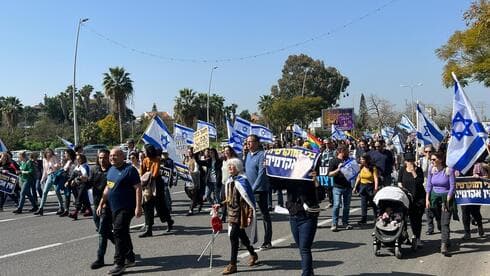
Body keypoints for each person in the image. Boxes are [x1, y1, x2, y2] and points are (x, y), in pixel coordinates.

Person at [269, 157, 321, 276]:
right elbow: (275, 184)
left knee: (304, 248)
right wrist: (267, 169)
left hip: (307, 217)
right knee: (300, 246)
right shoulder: (291, 178)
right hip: (293, 216)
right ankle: (310, 272)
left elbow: (320, 196)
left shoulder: (310, 178)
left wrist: (316, 181)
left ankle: (306, 273)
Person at [97, 148, 142, 275]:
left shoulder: (130, 170)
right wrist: (102, 203)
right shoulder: (111, 170)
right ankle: (130, 258)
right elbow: (108, 188)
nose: (112, 158)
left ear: (122, 156)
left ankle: (119, 263)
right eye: (111, 156)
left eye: (115, 156)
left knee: (118, 231)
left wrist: (138, 207)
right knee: (123, 232)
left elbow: (138, 188)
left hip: (127, 207)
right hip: (113, 207)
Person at [221, 158, 258, 275]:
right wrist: (219, 205)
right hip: (231, 213)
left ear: (238, 167)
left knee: (233, 236)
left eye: (233, 166)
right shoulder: (229, 181)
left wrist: (250, 214)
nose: (230, 168)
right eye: (229, 166)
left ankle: (233, 264)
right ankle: (253, 253)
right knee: (241, 235)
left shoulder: (243, 180)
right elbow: (227, 198)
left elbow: (249, 199)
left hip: (241, 213)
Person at [139, 144, 173, 238]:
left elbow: (154, 174)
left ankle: (169, 221)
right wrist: (143, 172)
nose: (143, 152)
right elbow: (141, 173)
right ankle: (148, 229)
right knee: (147, 207)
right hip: (147, 185)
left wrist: (147, 174)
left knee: (160, 206)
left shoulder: (157, 159)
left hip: (156, 184)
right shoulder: (145, 160)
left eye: (144, 150)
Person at [425, 150, 455, 256]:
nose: (431, 161)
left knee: (445, 222)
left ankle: (443, 246)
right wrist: (427, 199)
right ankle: (447, 239)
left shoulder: (448, 170)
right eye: (431, 159)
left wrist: (447, 200)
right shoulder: (431, 169)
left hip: (446, 198)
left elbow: (452, 186)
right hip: (434, 199)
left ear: (440, 160)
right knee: (439, 222)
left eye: (433, 159)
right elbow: (429, 185)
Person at [245, 134, 272, 249]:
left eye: (250, 142)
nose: (248, 144)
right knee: (248, 215)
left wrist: (253, 189)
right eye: (247, 142)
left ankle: (267, 241)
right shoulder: (247, 155)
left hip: (259, 191)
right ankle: (247, 240)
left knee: (264, 215)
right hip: (248, 190)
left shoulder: (262, 155)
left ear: (256, 143)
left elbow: (261, 174)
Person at [90, 149, 114, 269]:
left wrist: (102, 203)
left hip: (107, 205)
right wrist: (81, 181)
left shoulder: (112, 171)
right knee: (104, 231)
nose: (102, 160)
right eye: (100, 158)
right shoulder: (94, 170)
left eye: (104, 157)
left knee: (102, 233)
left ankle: (100, 259)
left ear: (109, 158)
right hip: (96, 204)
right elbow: (90, 183)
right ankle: (125, 249)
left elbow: (109, 189)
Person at [397, 152, 425, 248]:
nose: (410, 162)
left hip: (418, 198)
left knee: (416, 220)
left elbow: (420, 182)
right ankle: (404, 236)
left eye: (412, 160)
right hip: (406, 198)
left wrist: (413, 172)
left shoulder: (419, 170)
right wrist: (402, 188)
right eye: (408, 161)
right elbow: (399, 182)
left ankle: (417, 237)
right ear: (405, 161)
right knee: (403, 218)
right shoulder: (402, 170)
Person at [461, 153, 486, 239]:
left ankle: (480, 226)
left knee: (475, 212)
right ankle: (467, 232)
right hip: (464, 193)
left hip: (475, 192)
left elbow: (486, 177)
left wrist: (479, 177)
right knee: (465, 212)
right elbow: (455, 176)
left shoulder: (478, 165)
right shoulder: (460, 166)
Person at [328, 145, 353, 231]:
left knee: (346, 206)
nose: (348, 152)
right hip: (337, 187)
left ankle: (345, 222)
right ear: (341, 151)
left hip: (348, 186)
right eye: (346, 150)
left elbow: (353, 171)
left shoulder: (348, 160)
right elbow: (329, 174)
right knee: (336, 205)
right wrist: (338, 169)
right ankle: (334, 223)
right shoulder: (333, 161)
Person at [353, 154, 378, 224]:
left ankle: (376, 217)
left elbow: (375, 178)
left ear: (367, 160)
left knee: (373, 203)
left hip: (370, 186)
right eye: (360, 159)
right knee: (363, 204)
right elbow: (359, 177)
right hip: (362, 186)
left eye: (362, 159)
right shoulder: (361, 167)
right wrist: (355, 187)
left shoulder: (373, 168)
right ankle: (363, 219)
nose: (361, 161)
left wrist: (375, 188)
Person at [35, 148, 61, 216]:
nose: (49, 154)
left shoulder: (54, 157)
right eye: (47, 152)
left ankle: (61, 207)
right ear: (45, 153)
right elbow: (45, 170)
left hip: (55, 175)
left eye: (50, 152)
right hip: (49, 176)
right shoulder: (44, 160)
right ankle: (41, 208)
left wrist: (54, 166)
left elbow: (58, 165)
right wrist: (43, 179)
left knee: (57, 192)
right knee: (44, 192)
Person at [418, 145, 438, 235]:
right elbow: (421, 172)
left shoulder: (436, 161)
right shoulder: (421, 161)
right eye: (426, 152)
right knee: (427, 207)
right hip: (425, 186)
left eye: (430, 152)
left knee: (436, 207)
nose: (428, 153)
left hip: (436, 186)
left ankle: (439, 221)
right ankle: (430, 227)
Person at [184, 148, 203, 215]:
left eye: (190, 152)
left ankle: (190, 210)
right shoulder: (186, 160)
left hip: (194, 179)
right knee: (188, 192)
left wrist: (191, 172)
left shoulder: (195, 160)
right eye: (188, 152)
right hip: (187, 180)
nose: (189, 153)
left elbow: (197, 170)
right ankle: (199, 201)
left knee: (194, 195)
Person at [59, 149, 76, 217]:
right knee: (67, 195)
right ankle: (66, 210)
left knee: (76, 195)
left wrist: (72, 180)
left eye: (65, 153)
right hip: (67, 180)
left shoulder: (74, 161)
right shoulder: (66, 161)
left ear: (69, 154)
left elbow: (74, 171)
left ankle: (85, 208)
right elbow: (64, 169)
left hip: (72, 180)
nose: (64, 155)